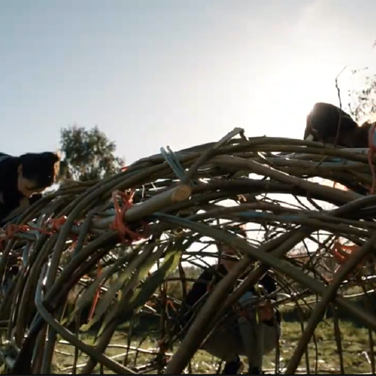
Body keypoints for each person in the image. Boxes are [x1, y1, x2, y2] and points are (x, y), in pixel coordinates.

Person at [180, 229, 281, 375]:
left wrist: (268, 317)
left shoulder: (261, 274)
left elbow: (273, 313)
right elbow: (187, 311)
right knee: (197, 323)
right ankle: (233, 363)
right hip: (228, 338)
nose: (232, 257)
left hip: (262, 337)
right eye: (227, 252)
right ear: (220, 255)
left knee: (246, 299)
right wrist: (210, 307)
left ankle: (255, 369)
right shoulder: (211, 276)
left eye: (237, 251)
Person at [0, 151, 60, 224]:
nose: (29, 195)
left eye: (36, 192)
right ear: (20, 170)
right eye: (28, 188)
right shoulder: (4, 167)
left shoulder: (34, 201)